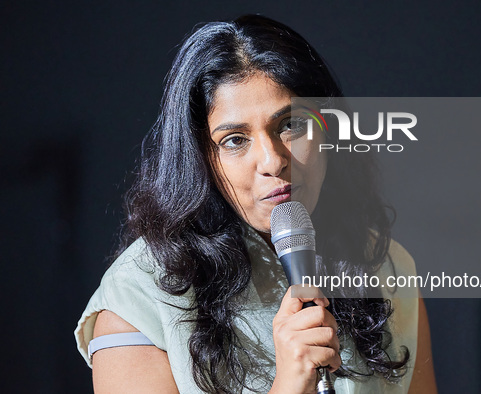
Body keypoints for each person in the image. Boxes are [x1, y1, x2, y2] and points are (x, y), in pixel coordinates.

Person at [74, 14, 437, 394]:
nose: (273, 161)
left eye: (292, 124)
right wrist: (288, 386)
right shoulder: (138, 296)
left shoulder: (385, 264)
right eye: (235, 140)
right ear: (201, 159)